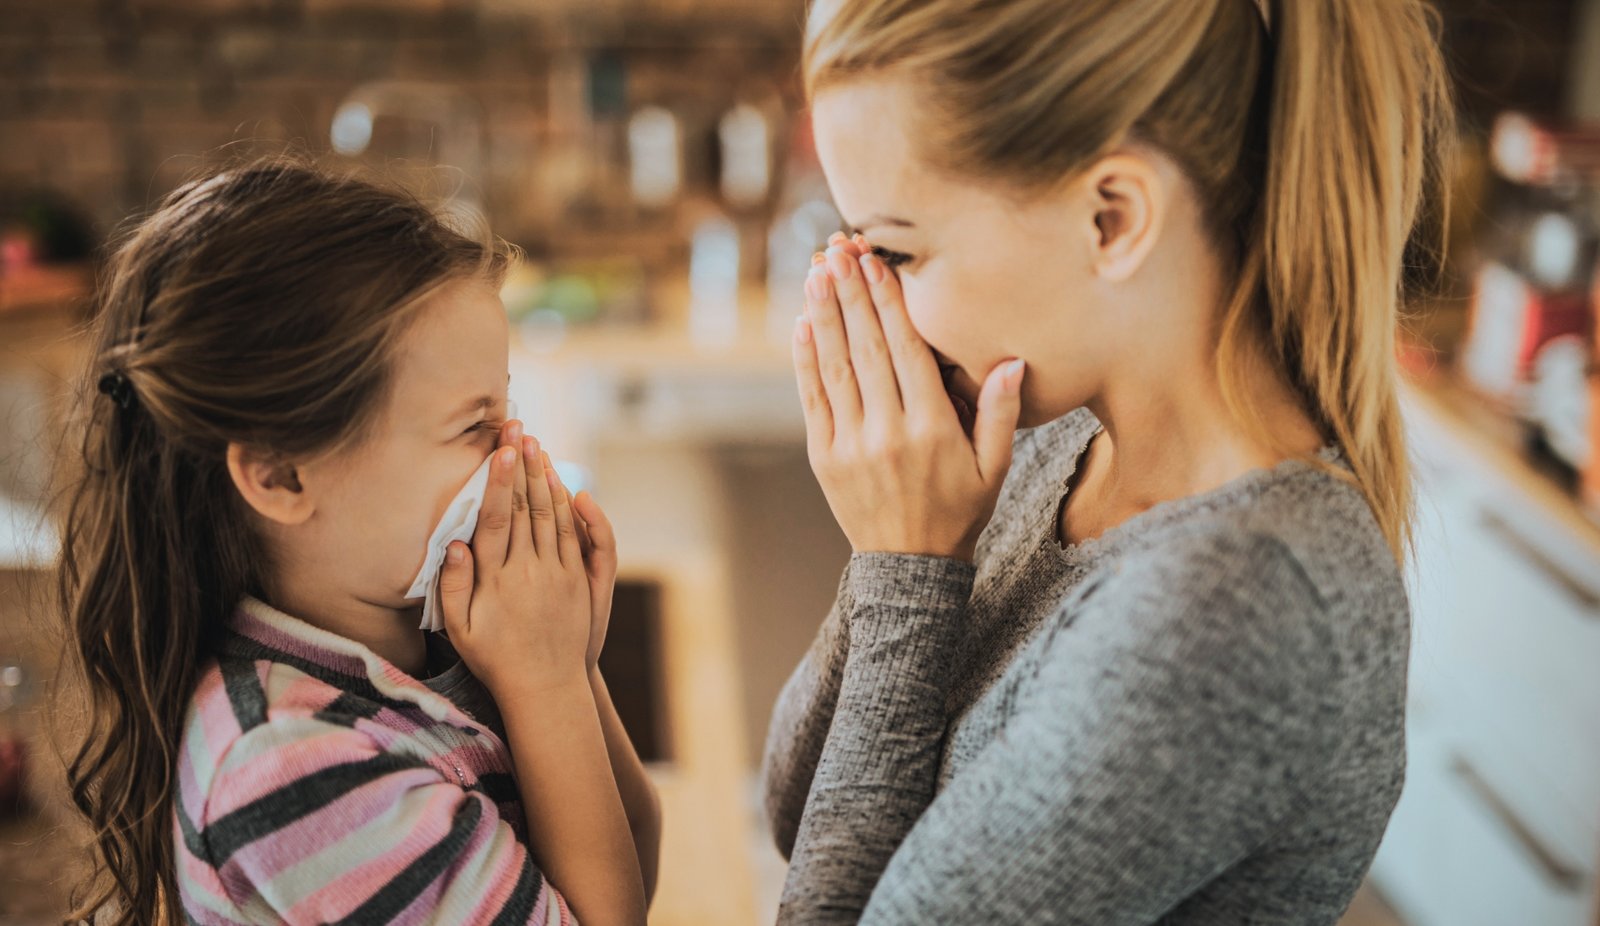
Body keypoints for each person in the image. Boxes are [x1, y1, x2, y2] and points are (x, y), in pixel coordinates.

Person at [762, 0, 1454, 922]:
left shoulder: (1233, 603)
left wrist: (904, 568)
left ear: (1112, 219)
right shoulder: (1060, 446)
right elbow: (799, 810)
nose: (872, 290)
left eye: (898, 249)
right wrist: (898, 555)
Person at [57, 160, 659, 926]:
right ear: (280, 475)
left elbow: (636, 855)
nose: (516, 447)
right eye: (473, 425)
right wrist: (546, 682)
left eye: (507, 409)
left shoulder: (439, 647)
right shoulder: (288, 767)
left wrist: (569, 668)